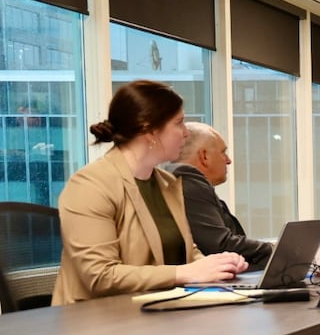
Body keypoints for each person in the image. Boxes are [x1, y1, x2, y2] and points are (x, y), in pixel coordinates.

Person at [53, 80, 247, 305]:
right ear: (150, 130)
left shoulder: (167, 183)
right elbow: (100, 276)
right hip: (97, 323)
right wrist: (185, 273)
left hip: (155, 313)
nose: (185, 133)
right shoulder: (89, 186)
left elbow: (186, 252)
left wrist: (219, 266)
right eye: (179, 123)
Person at [166, 122, 274, 269]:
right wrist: (275, 250)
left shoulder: (182, 182)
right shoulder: (189, 182)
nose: (228, 160)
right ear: (204, 156)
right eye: (223, 152)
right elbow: (219, 244)